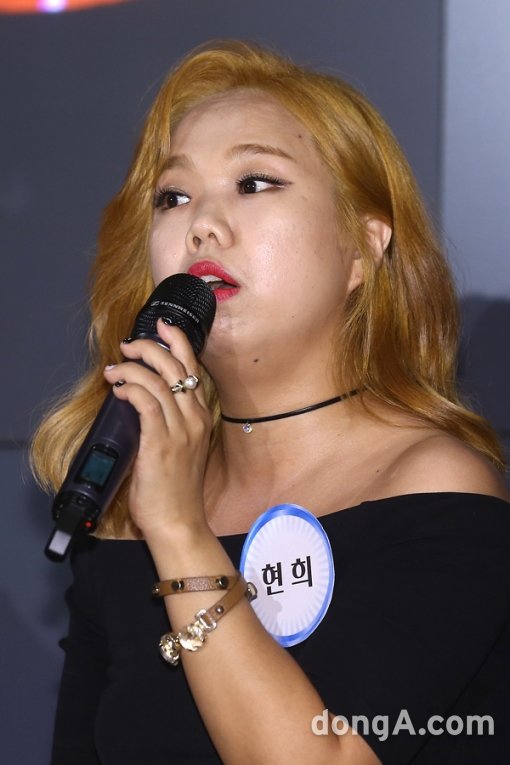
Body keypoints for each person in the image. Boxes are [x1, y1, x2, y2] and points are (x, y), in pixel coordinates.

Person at [31, 40, 510, 765]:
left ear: (362, 247)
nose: (202, 224)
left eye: (254, 183)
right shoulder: (126, 512)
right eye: (173, 196)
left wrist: (181, 531)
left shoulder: (437, 486)